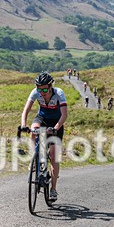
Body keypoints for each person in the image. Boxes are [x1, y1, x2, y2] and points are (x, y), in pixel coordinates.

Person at [21, 72, 68, 201]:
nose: (42, 92)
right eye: (39, 89)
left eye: (45, 89)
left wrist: (56, 128)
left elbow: (64, 115)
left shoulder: (59, 93)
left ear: (51, 86)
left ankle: (53, 189)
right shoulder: (35, 92)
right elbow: (26, 110)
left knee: (53, 157)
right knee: (33, 130)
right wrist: (23, 124)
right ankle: (35, 157)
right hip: (42, 118)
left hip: (56, 122)